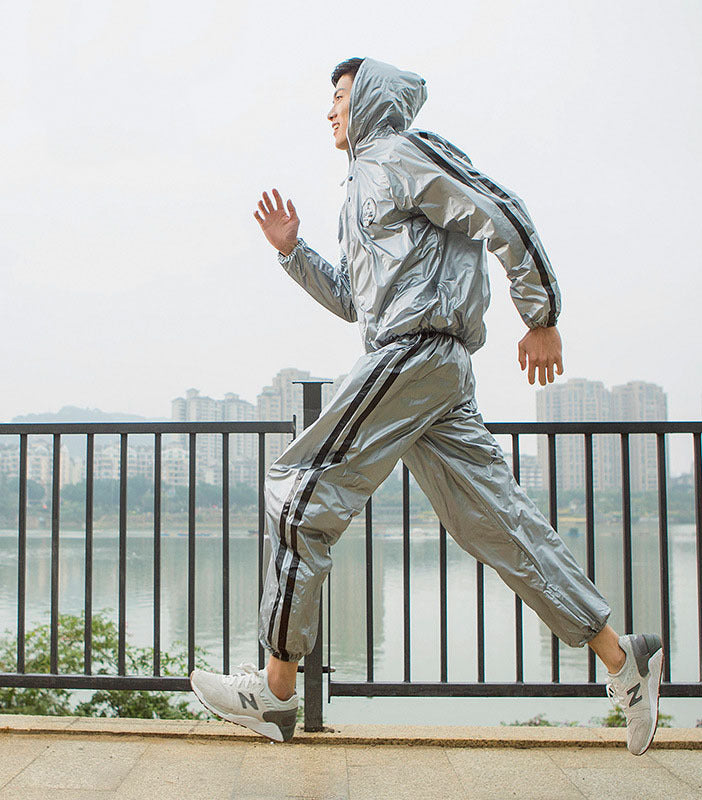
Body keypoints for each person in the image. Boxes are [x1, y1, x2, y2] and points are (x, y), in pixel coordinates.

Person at [190, 57, 663, 755]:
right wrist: (294, 253)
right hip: (425, 367)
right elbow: (357, 299)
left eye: (341, 97)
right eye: (329, 101)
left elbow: (498, 209)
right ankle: (627, 661)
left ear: (371, 98)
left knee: (297, 495)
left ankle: (277, 692)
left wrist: (542, 313)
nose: (330, 111)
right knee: (500, 528)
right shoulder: (358, 191)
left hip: (417, 351)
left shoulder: (403, 151)